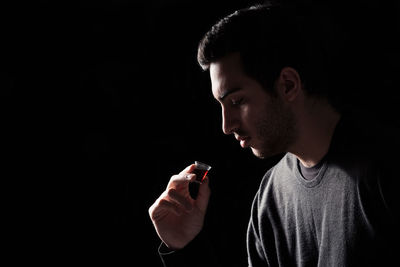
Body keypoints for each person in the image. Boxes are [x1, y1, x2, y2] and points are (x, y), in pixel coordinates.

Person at [149, 3, 399, 266]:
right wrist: (184, 247)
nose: (226, 125)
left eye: (237, 101)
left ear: (288, 85)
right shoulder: (271, 196)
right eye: (220, 105)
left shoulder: (386, 170)